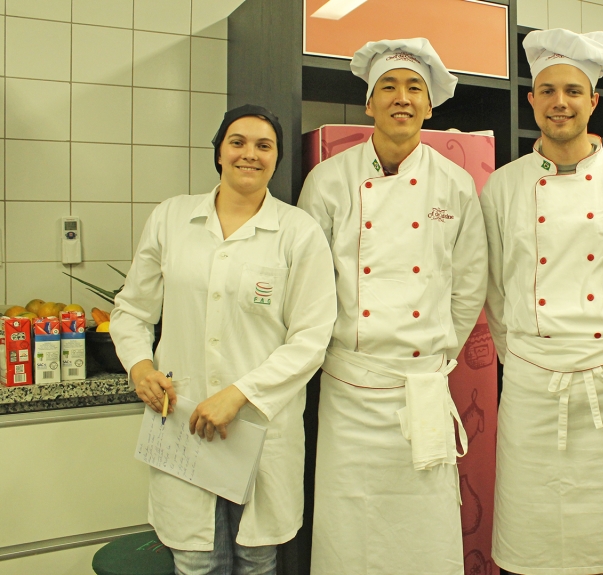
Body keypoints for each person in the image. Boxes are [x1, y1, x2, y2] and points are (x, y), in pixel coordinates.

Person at [110, 104, 337, 575]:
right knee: (196, 562)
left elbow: (311, 338)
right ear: (219, 152)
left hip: (258, 428)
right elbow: (132, 309)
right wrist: (140, 367)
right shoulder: (172, 217)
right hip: (183, 420)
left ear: (276, 158)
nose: (249, 154)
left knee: (257, 560)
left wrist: (238, 394)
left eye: (263, 146)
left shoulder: (298, 232)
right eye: (237, 142)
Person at [480, 29, 603, 575]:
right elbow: (493, 291)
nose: (559, 102)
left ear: (593, 101)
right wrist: (527, 357)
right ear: (531, 100)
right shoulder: (502, 187)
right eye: (547, 90)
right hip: (533, 386)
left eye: (572, 90)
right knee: (533, 534)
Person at [298, 38, 488, 575]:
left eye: (413, 89)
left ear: (429, 106)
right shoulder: (327, 180)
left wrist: (433, 349)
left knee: (423, 529)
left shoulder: (455, 185)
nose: (401, 98)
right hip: (349, 385)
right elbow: (309, 285)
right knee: (348, 526)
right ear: (369, 103)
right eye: (388, 87)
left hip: (420, 385)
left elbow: (469, 284)